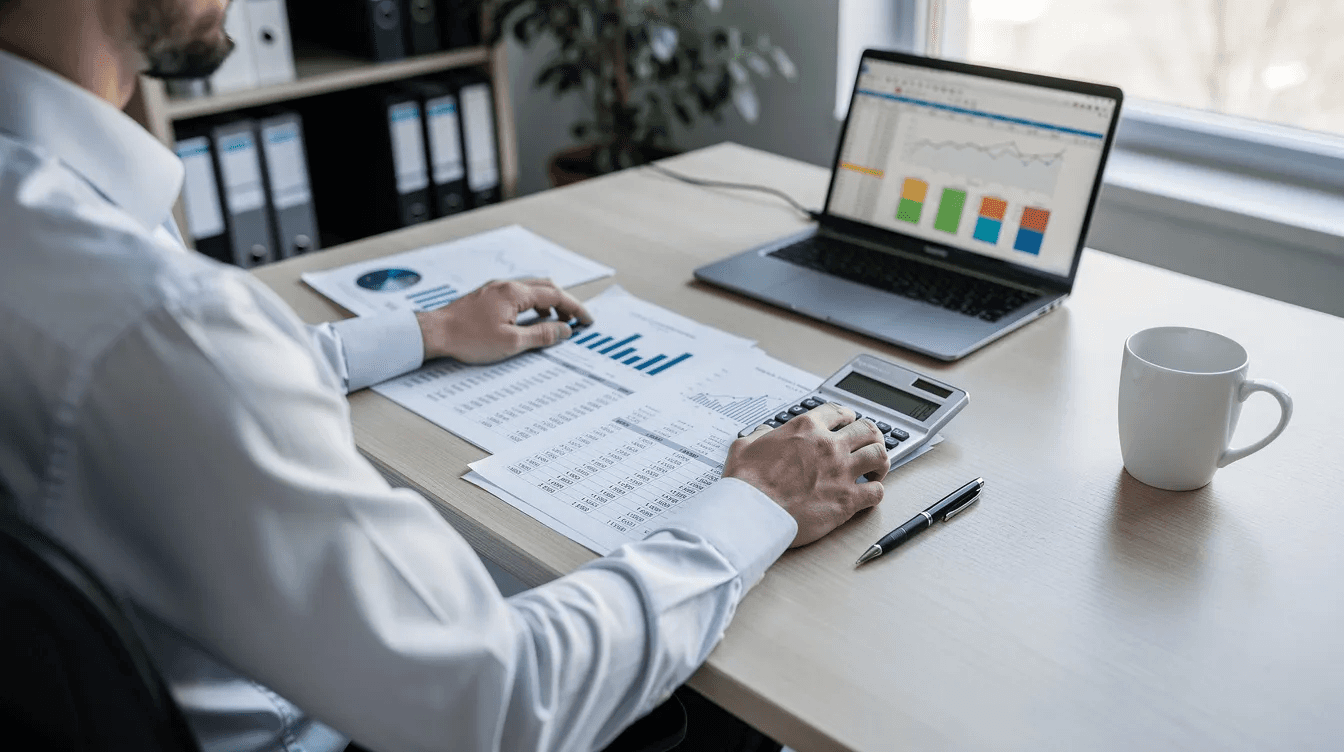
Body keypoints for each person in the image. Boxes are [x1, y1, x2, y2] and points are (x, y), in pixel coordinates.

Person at [0, 1, 890, 751]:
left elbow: (169, 397)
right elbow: (496, 701)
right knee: (727, 703)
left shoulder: (55, 233)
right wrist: (756, 503)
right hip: (323, 723)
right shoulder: (156, 319)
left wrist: (421, 332)